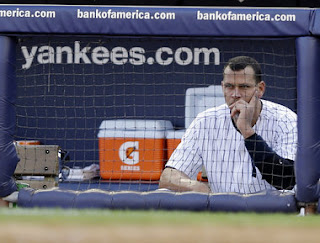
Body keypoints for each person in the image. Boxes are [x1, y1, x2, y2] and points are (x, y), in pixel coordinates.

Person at [159, 56, 297, 194]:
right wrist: (201, 189)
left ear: (260, 89)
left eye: (244, 87)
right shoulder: (206, 121)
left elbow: (286, 181)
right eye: (229, 86)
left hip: (276, 211)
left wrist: (247, 132)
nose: (236, 94)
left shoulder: (286, 120)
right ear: (222, 87)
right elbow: (169, 177)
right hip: (223, 211)